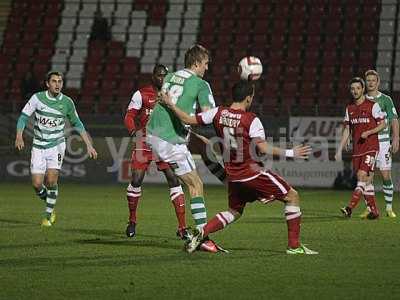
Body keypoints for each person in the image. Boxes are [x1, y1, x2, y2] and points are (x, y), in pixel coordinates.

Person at [160, 80, 318, 255]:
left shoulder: (217, 113)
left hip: (233, 176)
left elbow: (188, 119)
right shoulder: (251, 119)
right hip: (252, 173)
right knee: (292, 196)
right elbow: (262, 148)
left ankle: (203, 231)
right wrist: (291, 152)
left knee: (234, 211)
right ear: (248, 98)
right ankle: (294, 246)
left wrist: (170, 104)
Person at [146, 45, 215, 233]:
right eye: (206, 64)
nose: (207, 68)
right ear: (196, 63)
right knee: (195, 184)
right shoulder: (201, 85)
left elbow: (168, 105)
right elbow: (208, 116)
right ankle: (202, 235)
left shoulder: (169, 77)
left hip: (153, 134)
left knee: (189, 182)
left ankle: (198, 231)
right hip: (170, 140)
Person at [15, 71, 97, 227]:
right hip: (38, 145)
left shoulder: (67, 102)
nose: (57, 84)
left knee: (51, 181)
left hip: (57, 145)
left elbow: (77, 124)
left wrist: (88, 144)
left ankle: (48, 214)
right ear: (47, 83)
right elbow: (23, 117)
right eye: (54, 81)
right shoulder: (37, 98)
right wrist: (19, 136)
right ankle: (51, 201)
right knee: (37, 184)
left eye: (60, 81)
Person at [124, 64, 188, 239]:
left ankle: (182, 227)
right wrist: (133, 131)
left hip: (164, 142)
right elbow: (129, 116)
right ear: (153, 76)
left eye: (164, 75)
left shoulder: (173, 96)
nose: (162, 78)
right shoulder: (141, 94)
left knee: (174, 179)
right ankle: (132, 220)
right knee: (136, 180)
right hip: (144, 141)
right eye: (159, 75)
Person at [335, 77, 386, 219]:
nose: (355, 91)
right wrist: (339, 149)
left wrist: (369, 132)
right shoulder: (349, 108)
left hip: (371, 146)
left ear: (363, 89)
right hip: (357, 149)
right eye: (352, 89)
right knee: (366, 181)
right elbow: (347, 130)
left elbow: (383, 124)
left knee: (361, 176)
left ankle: (350, 207)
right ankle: (374, 211)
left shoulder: (372, 105)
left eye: (358, 88)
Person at [359, 70, 399, 218]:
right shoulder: (361, 101)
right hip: (368, 144)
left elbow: (394, 119)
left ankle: (389, 208)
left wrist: (396, 138)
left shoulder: (386, 100)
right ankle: (370, 208)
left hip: (382, 142)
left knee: (385, 174)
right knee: (367, 176)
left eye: (373, 80)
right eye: (368, 80)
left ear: (378, 82)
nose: (370, 82)